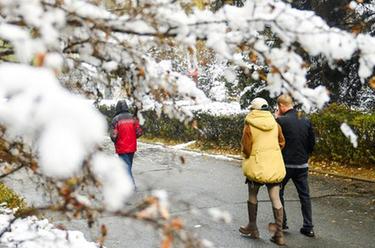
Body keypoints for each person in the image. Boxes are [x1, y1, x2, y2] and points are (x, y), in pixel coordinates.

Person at [239, 97, 286, 246]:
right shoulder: (275, 124)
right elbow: (282, 143)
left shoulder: (249, 126)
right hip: (273, 166)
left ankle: (253, 227)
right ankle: (279, 235)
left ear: (254, 110)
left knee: (253, 195)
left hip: (257, 167)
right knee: (275, 198)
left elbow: (246, 149)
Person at [276, 94, 316, 238]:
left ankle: (282, 222)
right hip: (302, 164)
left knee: (278, 192)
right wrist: (305, 155)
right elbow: (312, 142)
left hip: (285, 165)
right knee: (304, 195)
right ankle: (308, 226)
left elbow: (276, 143)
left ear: (281, 106)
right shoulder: (305, 119)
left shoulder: (280, 121)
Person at [110, 100, 142, 187]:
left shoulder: (116, 119)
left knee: (125, 167)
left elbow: (114, 136)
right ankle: (126, 184)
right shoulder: (133, 118)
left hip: (122, 147)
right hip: (132, 147)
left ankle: (131, 186)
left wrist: (115, 141)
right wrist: (132, 138)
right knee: (128, 166)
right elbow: (139, 132)